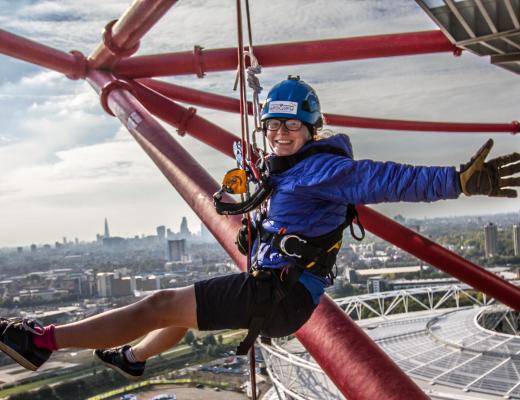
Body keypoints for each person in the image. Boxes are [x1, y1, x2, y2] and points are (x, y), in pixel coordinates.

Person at [0, 76, 519, 380]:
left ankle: (43, 342)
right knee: (189, 308)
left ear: (312, 130)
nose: (279, 134)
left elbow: (385, 178)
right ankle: (133, 357)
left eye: (291, 126)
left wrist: (456, 180)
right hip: (278, 289)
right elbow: (288, 221)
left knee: (160, 304)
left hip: (280, 296)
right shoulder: (283, 172)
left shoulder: (326, 169)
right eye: (272, 126)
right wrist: (261, 235)